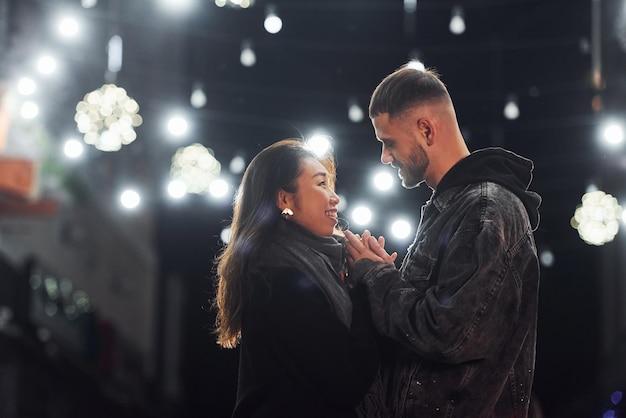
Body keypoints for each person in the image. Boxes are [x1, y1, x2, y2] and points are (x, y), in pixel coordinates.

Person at [343, 65, 542, 417]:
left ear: (426, 129)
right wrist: (391, 281)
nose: (385, 158)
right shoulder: (456, 208)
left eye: (389, 143)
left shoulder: (485, 209)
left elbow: (448, 333)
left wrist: (379, 279)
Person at [212, 139, 381, 418]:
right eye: (320, 184)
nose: (334, 197)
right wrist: (366, 285)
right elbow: (347, 380)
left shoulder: (308, 270)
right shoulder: (281, 282)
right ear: (285, 200)